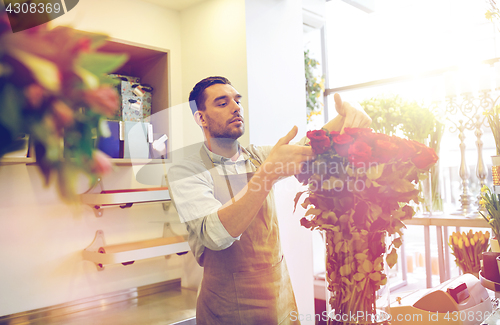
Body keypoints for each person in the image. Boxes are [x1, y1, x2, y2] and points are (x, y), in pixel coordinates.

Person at [167, 76, 371, 325]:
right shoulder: (186, 172)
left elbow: (307, 147)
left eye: (237, 100)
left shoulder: (257, 156)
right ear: (201, 118)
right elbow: (216, 235)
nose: (236, 107)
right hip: (227, 306)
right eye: (222, 103)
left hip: (279, 295)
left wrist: (347, 116)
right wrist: (268, 172)